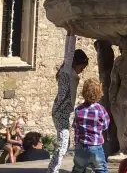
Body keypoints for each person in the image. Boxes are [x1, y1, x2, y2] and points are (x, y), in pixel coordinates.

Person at [48, 36, 89, 173]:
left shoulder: (69, 73)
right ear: (76, 63)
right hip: (60, 112)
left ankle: (53, 169)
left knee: (65, 144)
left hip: (63, 112)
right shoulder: (67, 72)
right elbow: (69, 52)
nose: (82, 70)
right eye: (82, 67)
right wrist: (71, 34)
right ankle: (53, 170)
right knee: (63, 144)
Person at [71, 79, 111, 173]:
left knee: (78, 169)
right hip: (95, 146)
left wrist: (77, 144)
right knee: (101, 169)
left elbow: (75, 126)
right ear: (99, 93)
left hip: (81, 146)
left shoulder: (78, 109)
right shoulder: (101, 110)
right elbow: (105, 125)